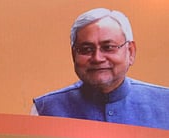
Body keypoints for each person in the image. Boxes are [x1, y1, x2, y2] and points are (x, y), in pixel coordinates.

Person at [32, 8, 169, 130]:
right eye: (86, 49)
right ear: (74, 55)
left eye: (108, 47)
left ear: (130, 52)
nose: (97, 58)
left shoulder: (165, 103)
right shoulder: (45, 110)